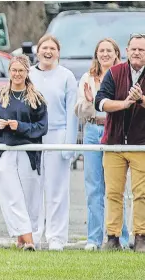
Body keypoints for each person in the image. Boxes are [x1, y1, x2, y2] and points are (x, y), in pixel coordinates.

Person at [0, 55, 48, 251]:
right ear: (9, 71)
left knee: (29, 196)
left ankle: (23, 239)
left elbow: (42, 127)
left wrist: (21, 127)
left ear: (27, 72)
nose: (17, 74)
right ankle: (28, 240)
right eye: (14, 70)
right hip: (4, 151)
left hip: (28, 152)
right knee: (11, 195)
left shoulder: (36, 98)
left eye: (21, 70)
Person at [74, 38, 131, 251]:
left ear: (117, 53)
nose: (105, 54)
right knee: (94, 187)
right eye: (101, 51)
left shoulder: (123, 77)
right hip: (92, 129)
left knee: (115, 188)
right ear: (96, 55)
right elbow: (79, 111)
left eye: (109, 50)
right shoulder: (87, 78)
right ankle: (94, 239)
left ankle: (121, 237)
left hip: (114, 131)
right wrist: (89, 101)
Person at [94, 33, 145, 252]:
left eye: (141, 50)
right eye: (133, 49)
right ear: (126, 51)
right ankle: (113, 237)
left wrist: (140, 100)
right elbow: (100, 102)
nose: (137, 53)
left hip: (141, 144)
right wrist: (124, 104)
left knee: (142, 193)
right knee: (113, 193)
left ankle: (140, 237)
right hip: (114, 143)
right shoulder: (114, 73)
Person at [28, 35, 78, 251]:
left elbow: (72, 112)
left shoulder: (66, 76)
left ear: (58, 52)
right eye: (44, 48)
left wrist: (70, 144)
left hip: (58, 134)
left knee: (57, 188)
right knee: (33, 186)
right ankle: (33, 234)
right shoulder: (28, 74)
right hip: (33, 135)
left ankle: (56, 236)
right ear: (37, 51)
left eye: (52, 48)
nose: (48, 52)